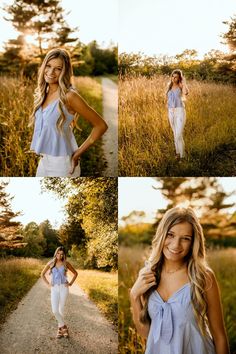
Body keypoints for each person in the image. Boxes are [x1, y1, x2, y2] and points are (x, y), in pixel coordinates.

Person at [130, 207, 229, 354]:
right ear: (162, 234)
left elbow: (219, 336)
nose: (176, 245)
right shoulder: (148, 275)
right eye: (170, 235)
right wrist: (134, 295)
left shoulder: (203, 277)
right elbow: (146, 334)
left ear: (193, 242)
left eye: (185, 238)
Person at [29, 48, 108, 177]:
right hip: (43, 161)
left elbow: (101, 125)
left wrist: (77, 153)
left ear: (65, 71)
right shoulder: (43, 94)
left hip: (62, 164)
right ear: (43, 67)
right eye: (48, 66)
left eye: (58, 68)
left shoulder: (70, 96)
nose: (51, 72)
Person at [41, 246, 78, 338]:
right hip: (54, 288)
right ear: (55, 253)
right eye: (58, 253)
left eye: (61, 254)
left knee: (61, 309)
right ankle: (64, 327)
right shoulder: (50, 263)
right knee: (54, 310)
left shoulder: (66, 263)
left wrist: (70, 283)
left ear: (63, 255)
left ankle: (59, 330)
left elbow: (75, 273)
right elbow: (42, 274)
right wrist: (48, 284)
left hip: (64, 288)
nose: (59, 255)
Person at [166, 69, 189, 159]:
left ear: (179, 78)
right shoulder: (169, 87)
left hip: (180, 111)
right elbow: (168, 99)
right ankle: (179, 154)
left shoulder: (181, 86)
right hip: (171, 112)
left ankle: (182, 155)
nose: (173, 78)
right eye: (173, 76)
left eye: (176, 77)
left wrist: (184, 83)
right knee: (175, 134)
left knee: (178, 134)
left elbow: (186, 93)